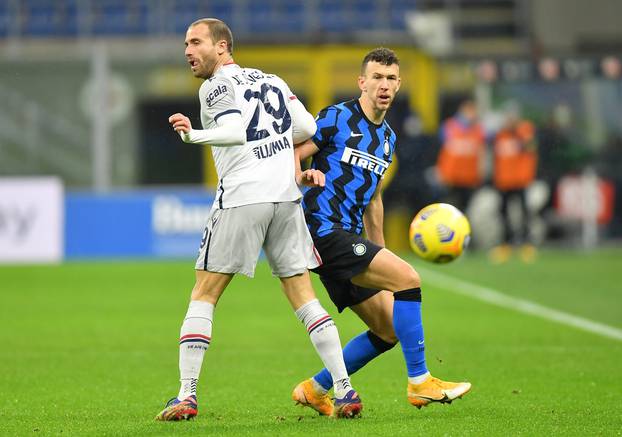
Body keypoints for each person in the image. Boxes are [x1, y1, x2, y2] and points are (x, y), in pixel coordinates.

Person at [155, 18, 362, 421]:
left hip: (244, 197)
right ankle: (344, 389)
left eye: (196, 42)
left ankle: (186, 394)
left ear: (222, 47)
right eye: (186, 43)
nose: (188, 51)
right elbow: (307, 127)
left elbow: (233, 130)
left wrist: (192, 135)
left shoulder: (214, 85)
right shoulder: (272, 80)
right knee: (303, 295)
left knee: (205, 293)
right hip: (285, 197)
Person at [292, 48, 471, 416]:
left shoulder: (387, 138)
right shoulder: (337, 117)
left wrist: (381, 251)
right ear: (362, 82)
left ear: (399, 84)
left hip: (350, 238)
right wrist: (301, 176)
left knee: (388, 330)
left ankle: (315, 388)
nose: (383, 85)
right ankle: (420, 382)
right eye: (376, 77)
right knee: (409, 280)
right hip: (323, 229)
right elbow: (294, 150)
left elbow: (374, 200)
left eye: (390, 79)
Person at [489, 106, 538, 264]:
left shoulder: (524, 132)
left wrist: (519, 134)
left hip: (520, 180)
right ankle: (505, 245)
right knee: (503, 214)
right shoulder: (500, 135)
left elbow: (531, 147)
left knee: (524, 214)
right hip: (503, 181)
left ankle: (527, 245)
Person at [435, 98, 486, 212]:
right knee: (450, 210)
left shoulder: (478, 130)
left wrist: (480, 174)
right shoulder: (449, 127)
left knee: (465, 210)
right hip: (451, 179)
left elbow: (481, 153)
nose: (473, 114)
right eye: (470, 111)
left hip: (469, 179)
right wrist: (440, 173)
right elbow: (440, 151)